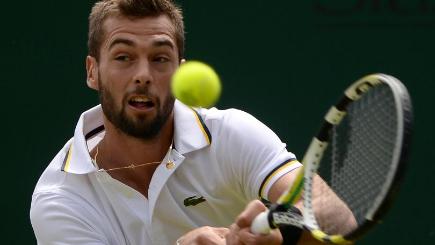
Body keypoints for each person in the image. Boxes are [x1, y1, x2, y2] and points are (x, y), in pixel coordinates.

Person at [30, 0, 355, 244]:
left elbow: (339, 218)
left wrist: (278, 227)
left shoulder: (231, 135)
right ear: (92, 71)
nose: (143, 75)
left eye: (159, 58)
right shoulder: (61, 197)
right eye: (123, 57)